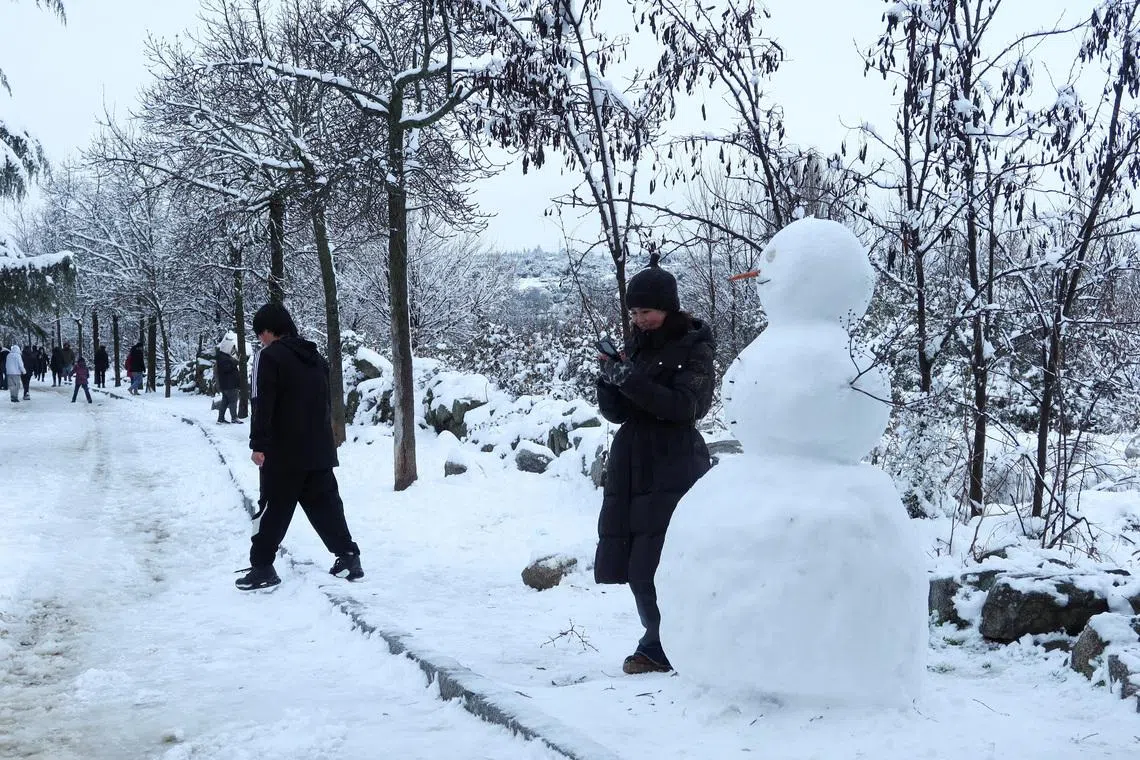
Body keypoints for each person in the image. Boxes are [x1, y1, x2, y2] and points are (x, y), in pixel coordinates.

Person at [593, 255, 715, 675]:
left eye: (645, 311)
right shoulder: (637, 348)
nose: (639, 319)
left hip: (675, 462)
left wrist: (632, 381)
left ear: (667, 308)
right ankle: (661, 640)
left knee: (657, 561)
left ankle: (661, 645)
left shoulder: (695, 348)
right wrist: (609, 379)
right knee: (632, 560)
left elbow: (686, 406)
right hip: (633, 463)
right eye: (633, 312)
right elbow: (619, 413)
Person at [235, 302, 362, 590]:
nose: (260, 340)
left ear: (269, 330)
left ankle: (262, 567)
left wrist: (258, 444)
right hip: (318, 450)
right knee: (327, 507)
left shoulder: (268, 358)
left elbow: (262, 404)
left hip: (283, 452)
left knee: (271, 511)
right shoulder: (315, 358)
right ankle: (348, 557)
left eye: (260, 334)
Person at [214, 333, 242, 424]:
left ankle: (221, 419)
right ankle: (234, 418)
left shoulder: (222, 357)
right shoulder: (224, 358)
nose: (232, 350)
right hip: (230, 384)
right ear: (227, 348)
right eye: (231, 348)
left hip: (226, 384)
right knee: (233, 401)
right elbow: (227, 369)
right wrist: (235, 362)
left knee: (225, 402)